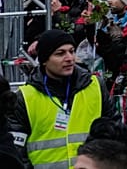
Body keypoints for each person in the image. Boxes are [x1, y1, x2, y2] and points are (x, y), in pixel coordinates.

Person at [9, 29, 120, 168]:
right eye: (60, 53)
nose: (69, 58)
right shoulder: (25, 97)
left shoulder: (95, 85)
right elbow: (16, 152)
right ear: (44, 60)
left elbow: (115, 134)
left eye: (72, 51)